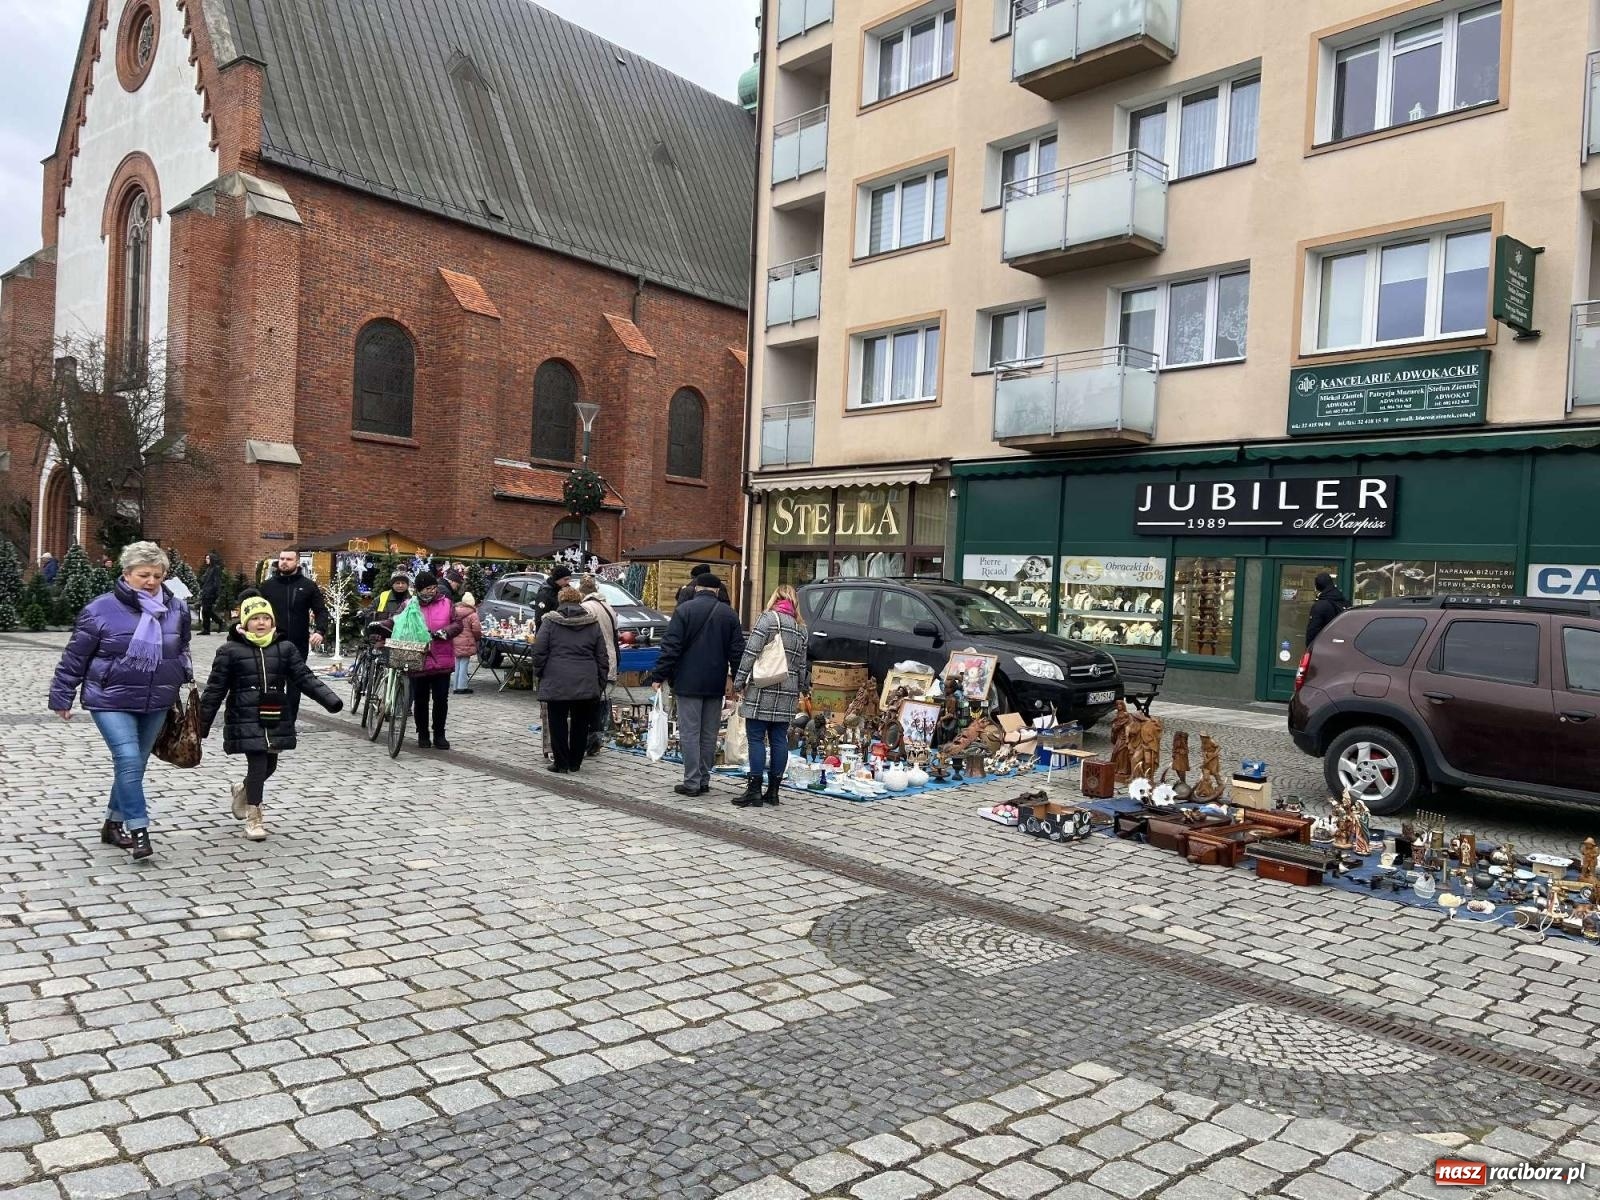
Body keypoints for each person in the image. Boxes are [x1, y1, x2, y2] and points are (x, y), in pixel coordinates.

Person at [48, 541, 193, 860]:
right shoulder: (100, 609)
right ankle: (139, 829)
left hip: (156, 699)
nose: (152, 582)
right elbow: (75, 657)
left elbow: (182, 645)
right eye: (144, 575)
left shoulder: (177, 608)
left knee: (136, 764)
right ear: (126, 574)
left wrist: (183, 669)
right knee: (127, 758)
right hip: (109, 698)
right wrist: (62, 695)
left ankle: (112, 826)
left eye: (158, 575)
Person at [198, 595, 343, 841]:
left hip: (274, 714)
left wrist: (330, 700)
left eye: (266, 618)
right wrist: (200, 724)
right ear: (244, 622)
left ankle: (243, 790)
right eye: (255, 618)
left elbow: (304, 677)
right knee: (257, 764)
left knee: (270, 765)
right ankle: (254, 819)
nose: (261, 623)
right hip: (245, 716)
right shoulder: (230, 651)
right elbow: (214, 689)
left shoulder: (284, 648)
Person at [650, 572, 744, 798]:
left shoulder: (684, 610)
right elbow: (737, 652)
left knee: (690, 733)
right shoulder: (729, 614)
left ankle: (691, 781)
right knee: (709, 734)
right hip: (715, 682)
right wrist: (739, 681)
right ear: (717, 590)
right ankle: (703, 779)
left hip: (687, 681)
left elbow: (670, 647)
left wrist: (658, 675)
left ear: (697, 588)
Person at [731, 585, 810, 808]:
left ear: (775, 598)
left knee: (755, 737)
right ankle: (773, 792)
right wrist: (801, 688)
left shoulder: (768, 620)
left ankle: (754, 790)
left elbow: (750, 652)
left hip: (763, 687)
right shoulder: (801, 629)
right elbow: (802, 665)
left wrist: (739, 681)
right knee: (779, 740)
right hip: (788, 690)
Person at [530, 586, 609, 773]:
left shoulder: (550, 622)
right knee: (581, 723)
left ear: (560, 601)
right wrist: (600, 680)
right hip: (585, 679)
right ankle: (575, 762)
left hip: (556, 678)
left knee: (557, 722)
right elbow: (602, 655)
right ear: (579, 601)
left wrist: (540, 673)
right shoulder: (592, 622)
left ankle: (561, 762)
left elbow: (539, 650)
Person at [407, 571, 464, 750]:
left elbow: (458, 624)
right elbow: (398, 621)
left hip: (441, 658)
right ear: (418, 590)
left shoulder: (447, 603)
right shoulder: (410, 605)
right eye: (426, 588)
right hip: (420, 658)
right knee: (420, 699)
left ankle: (439, 734)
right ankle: (422, 733)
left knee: (441, 699)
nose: (431, 591)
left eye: (433, 588)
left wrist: (445, 631)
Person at [259, 550, 330, 659]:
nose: (284, 562)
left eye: (289, 559)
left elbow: (321, 610)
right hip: (272, 642)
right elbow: (256, 611)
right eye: (282, 559)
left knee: (297, 674)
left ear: (297, 562)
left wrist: (320, 631)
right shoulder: (267, 586)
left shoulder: (308, 586)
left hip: (298, 643)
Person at [578, 575, 619, 756]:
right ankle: (596, 740)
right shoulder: (608, 607)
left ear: (581, 592)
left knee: (590, 704)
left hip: (594, 660)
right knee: (600, 702)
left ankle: (590, 741)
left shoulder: (586, 607)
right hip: (609, 658)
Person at [1306, 572, 1351, 645]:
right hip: (1342, 645)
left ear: (1317, 587)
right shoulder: (1344, 602)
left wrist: (1309, 649)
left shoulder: (1320, 605)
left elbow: (1313, 631)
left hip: (1324, 646)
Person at [451, 591, 483, 695]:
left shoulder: (455, 611)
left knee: (458, 664)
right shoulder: (473, 614)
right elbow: (476, 630)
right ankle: (462, 686)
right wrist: (478, 638)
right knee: (464, 664)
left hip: (455, 641)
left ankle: (456, 685)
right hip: (467, 642)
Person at [198, 552, 225, 636]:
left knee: (206, 610)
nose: (206, 560)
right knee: (206, 611)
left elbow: (216, 582)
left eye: (208, 558)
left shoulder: (216, 569)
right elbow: (205, 579)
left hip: (210, 593)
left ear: (212, 559)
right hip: (206, 592)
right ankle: (207, 628)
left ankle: (219, 623)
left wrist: (215, 592)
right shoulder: (209, 569)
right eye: (206, 558)